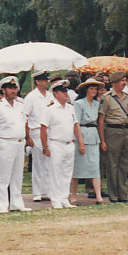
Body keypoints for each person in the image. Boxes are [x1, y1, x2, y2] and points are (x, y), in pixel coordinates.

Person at [0, 76, 32, 213]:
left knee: (17, 176)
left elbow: (25, 123)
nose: (13, 91)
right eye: (10, 88)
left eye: (15, 88)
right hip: (5, 142)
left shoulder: (20, 105)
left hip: (19, 143)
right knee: (3, 176)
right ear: (3, 90)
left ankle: (16, 203)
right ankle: (2, 205)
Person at [40, 80, 83, 209]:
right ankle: (55, 200)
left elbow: (76, 126)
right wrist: (45, 147)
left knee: (67, 172)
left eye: (66, 91)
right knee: (56, 172)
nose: (65, 93)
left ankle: (64, 198)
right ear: (56, 93)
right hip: (56, 143)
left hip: (69, 144)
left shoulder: (71, 108)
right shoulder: (50, 109)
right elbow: (43, 129)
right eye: (62, 91)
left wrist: (80, 142)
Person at [98, 72, 128, 203]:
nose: (124, 83)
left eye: (125, 80)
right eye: (121, 81)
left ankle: (123, 195)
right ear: (114, 83)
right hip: (112, 131)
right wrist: (102, 140)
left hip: (125, 131)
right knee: (112, 164)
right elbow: (101, 120)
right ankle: (113, 195)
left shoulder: (127, 96)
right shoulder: (107, 98)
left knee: (124, 164)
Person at [71, 79, 106, 204]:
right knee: (77, 167)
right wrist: (80, 142)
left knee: (95, 167)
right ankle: (73, 195)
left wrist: (102, 140)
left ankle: (98, 196)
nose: (94, 91)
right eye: (91, 88)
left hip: (93, 135)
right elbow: (76, 123)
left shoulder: (97, 104)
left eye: (95, 89)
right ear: (86, 89)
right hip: (82, 135)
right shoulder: (79, 104)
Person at [24, 71, 52, 202]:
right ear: (37, 81)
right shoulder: (31, 97)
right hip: (36, 130)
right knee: (38, 163)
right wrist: (27, 137)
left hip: (49, 131)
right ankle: (38, 192)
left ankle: (48, 191)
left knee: (49, 162)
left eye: (47, 80)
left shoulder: (50, 96)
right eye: (44, 80)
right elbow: (25, 116)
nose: (47, 82)